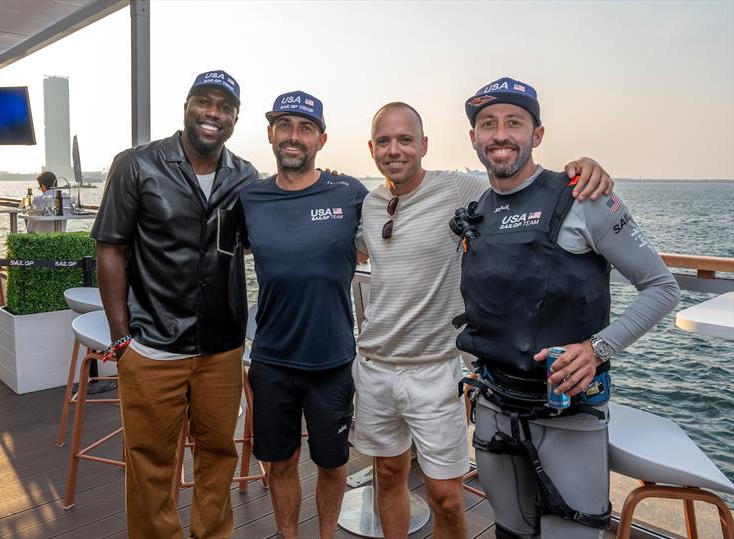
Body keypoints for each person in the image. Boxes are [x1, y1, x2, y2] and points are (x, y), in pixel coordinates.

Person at [352, 100, 614, 538]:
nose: (394, 149)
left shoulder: (458, 189)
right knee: (388, 475)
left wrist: (584, 170)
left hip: (434, 370)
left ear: (424, 145)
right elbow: (367, 249)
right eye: (384, 141)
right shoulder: (370, 204)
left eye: (405, 139)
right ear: (371, 148)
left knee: (447, 500)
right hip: (374, 366)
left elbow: (519, 184)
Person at [454, 77, 680, 538]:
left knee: (574, 531)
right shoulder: (478, 208)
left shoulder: (582, 196)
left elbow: (662, 287)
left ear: (537, 135)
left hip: (568, 411)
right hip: (495, 403)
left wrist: (597, 349)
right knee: (509, 531)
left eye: (514, 123)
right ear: (474, 138)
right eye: (488, 124)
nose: (500, 134)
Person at [91, 70, 258, 539]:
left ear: (234, 119)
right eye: (204, 102)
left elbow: (265, 242)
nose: (213, 114)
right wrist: (122, 337)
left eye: (225, 108)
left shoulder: (245, 176)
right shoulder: (137, 165)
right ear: (186, 106)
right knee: (149, 463)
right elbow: (110, 248)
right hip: (151, 344)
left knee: (218, 454)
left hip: (222, 347)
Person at [239, 91, 368, 539]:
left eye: (305, 128)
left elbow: (390, 236)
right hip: (272, 358)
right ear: (271, 135)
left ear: (321, 139)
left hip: (332, 360)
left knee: (333, 464)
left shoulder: (349, 192)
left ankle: (326, 536)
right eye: (286, 126)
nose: (294, 137)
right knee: (280, 461)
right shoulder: (250, 198)